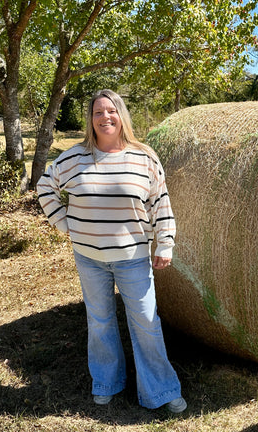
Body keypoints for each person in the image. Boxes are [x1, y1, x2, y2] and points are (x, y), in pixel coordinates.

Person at [37, 89, 186, 413]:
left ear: (121, 116)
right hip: (89, 258)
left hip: (132, 258)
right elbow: (44, 187)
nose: (105, 117)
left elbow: (160, 203)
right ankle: (106, 382)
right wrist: (65, 225)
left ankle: (160, 389)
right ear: (90, 120)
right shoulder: (73, 158)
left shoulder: (144, 157)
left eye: (111, 111)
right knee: (101, 320)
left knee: (146, 321)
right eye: (97, 112)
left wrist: (165, 242)